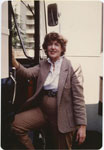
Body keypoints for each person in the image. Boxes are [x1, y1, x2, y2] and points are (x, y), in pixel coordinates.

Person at [11, 32, 87, 150]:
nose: (52, 47)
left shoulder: (73, 67)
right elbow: (27, 73)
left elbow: (79, 98)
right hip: (42, 111)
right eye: (49, 44)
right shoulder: (43, 65)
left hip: (63, 116)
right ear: (46, 48)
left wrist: (82, 126)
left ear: (62, 49)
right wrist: (14, 61)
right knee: (16, 125)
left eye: (56, 44)